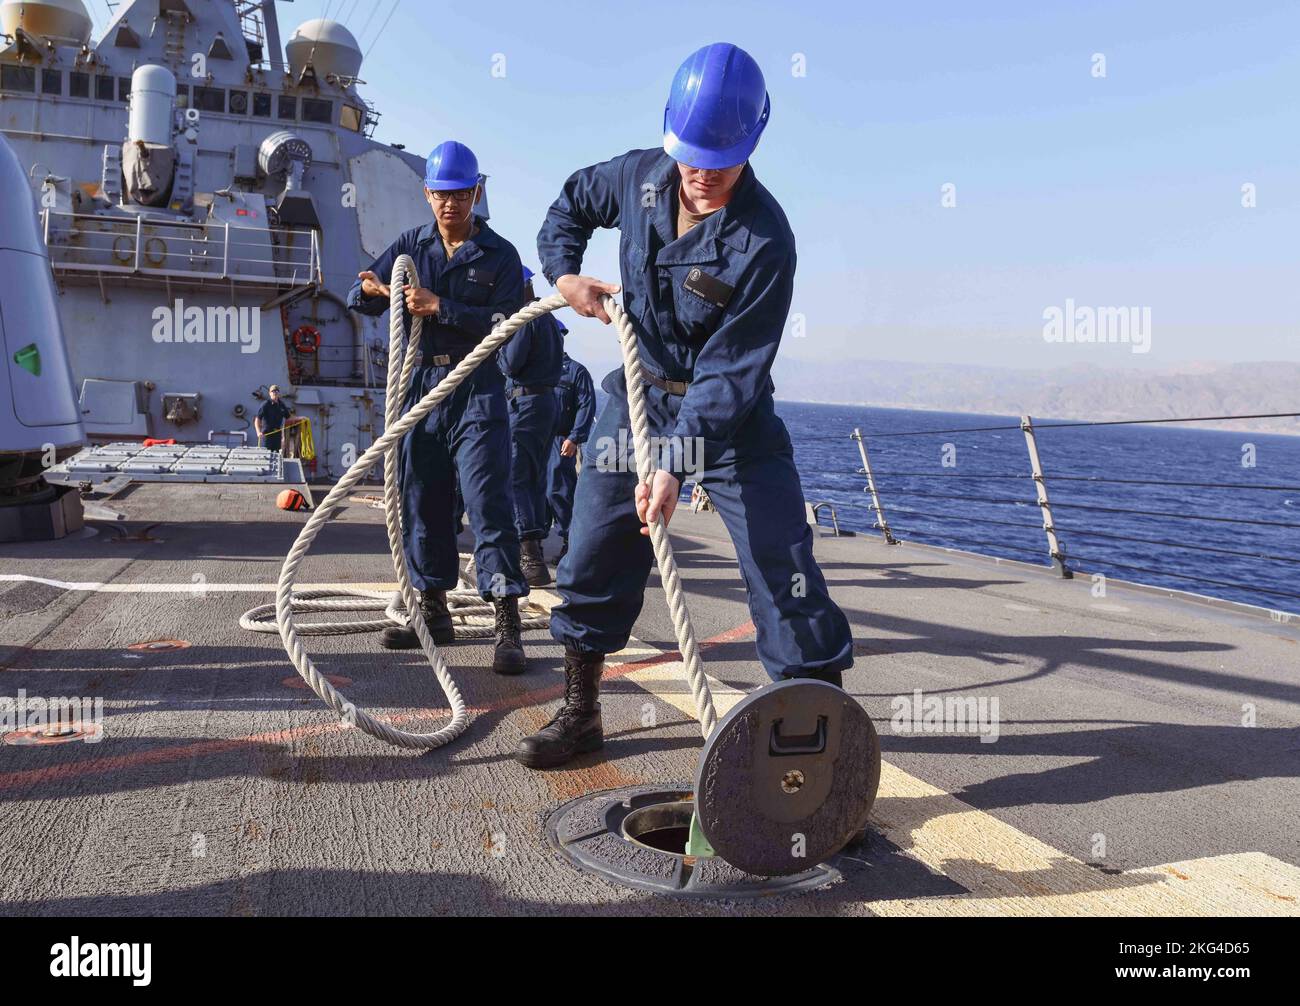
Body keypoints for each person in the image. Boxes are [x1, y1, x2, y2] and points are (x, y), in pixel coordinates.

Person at [517, 43, 854, 768]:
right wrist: (565, 273)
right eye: (689, 157)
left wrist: (675, 464)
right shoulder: (640, 176)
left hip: (729, 421)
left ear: (752, 146)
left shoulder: (766, 240)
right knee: (593, 548)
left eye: (719, 163)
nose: (698, 175)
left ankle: (818, 749)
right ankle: (580, 713)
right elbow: (572, 203)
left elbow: (731, 373)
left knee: (780, 560)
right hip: (635, 398)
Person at [346, 140, 530, 675]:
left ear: (476, 193)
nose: (450, 204)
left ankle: (507, 627)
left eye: (460, 194)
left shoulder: (501, 255)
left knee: (488, 505)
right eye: (440, 194)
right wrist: (374, 290)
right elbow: (360, 294)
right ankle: (432, 611)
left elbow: (508, 325)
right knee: (420, 500)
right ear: (427, 194)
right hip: (420, 386)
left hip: (475, 386)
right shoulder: (411, 245)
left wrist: (440, 306)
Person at [498, 267, 565, 586]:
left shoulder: (525, 318)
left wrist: (499, 340)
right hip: (545, 403)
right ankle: (532, 548)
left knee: (517, 476)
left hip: (524, 405)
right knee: (535, 477)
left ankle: (529, 557)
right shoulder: (548, 317)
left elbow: (510, 364)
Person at [545, 342, 596, 562]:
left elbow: (586, 405)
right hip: (533, 440)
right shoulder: (534, 370)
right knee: (533, 494)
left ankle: (571, 543)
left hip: (560, 441)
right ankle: (531, 549)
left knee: (560, 493)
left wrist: (575, 437)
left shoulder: (576, 371)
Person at [254, 385, 293, 453]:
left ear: (279, 393)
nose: (275, 392)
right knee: (266, 454)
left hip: (277, 435)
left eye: (277, 391)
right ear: (269, 393)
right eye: (273, 391)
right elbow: (257, 419)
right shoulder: (266, 404)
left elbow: (289, 418)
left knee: (276, 454)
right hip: (267, 435)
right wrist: (258, 432)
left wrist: (301, 418)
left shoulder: (281, 405)